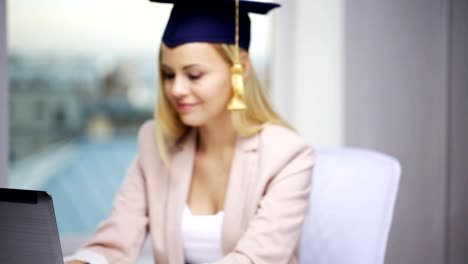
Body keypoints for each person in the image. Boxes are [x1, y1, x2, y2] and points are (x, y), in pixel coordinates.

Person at [65, 0, 315, 263]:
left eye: (194, 75)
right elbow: (115, 244)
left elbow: (256, 259)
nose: (176, 89)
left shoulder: (287, 156)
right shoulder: (156, 144)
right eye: (168, 74)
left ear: (240, 69)